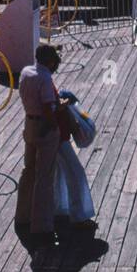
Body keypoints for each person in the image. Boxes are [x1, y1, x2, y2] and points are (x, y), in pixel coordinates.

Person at [17, 44, 64, 255]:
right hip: (44, 129)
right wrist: (55, 123)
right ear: (51, 61)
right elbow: (47, 107)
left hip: (29, 124)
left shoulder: (26, 72)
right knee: (44, 178)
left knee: (28, 171)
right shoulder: (45, 79)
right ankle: (42, 228)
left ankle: (23, 216)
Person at [53, 90, 97, 231]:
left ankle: (60, 208)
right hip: (56, 135)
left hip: (53, 134)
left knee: (58, 174)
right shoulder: (44, 77)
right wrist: (63, 104)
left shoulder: (40, 76)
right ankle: (79, 217)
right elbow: (49, 106)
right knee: (75, 174)